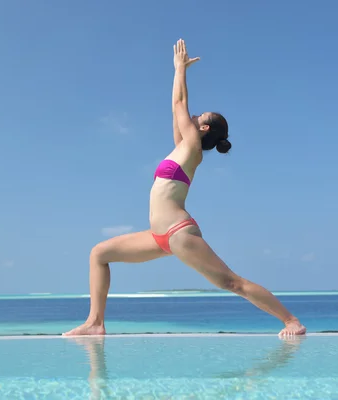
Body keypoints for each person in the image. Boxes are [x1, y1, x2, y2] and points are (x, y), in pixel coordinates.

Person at [64, 39, 306, 338]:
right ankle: (95, 323)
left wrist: (179, 69)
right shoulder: (183, 148)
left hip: (179, 232)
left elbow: (180, 104)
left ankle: (291, 321)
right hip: (158, 237)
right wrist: (178, 79)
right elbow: (176, 109)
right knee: (99, 253)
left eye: (199, 117)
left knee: (232, 282)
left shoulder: (192, 148)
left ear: (203, 129)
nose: (193, 116)